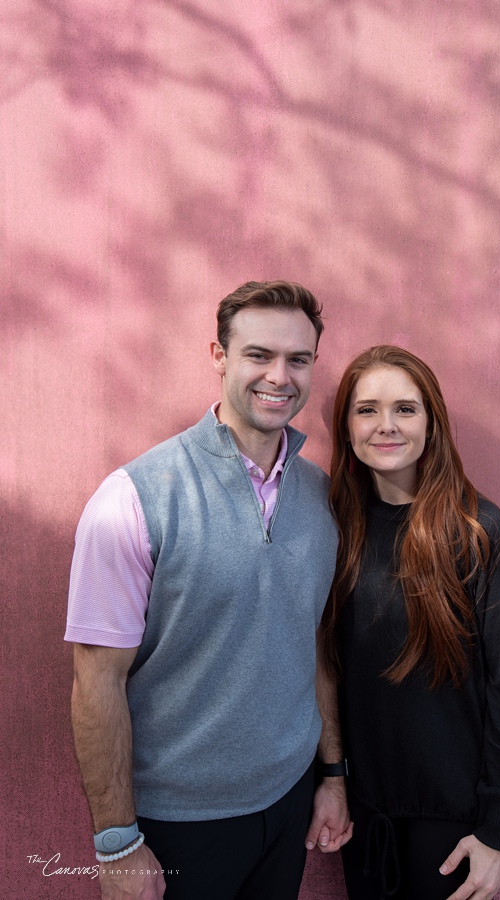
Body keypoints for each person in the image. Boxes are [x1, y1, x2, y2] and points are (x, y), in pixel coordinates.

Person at [66, 281, 352, 900]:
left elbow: (318, 649)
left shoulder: (323, 498)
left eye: (298, 359)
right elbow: (97, 680)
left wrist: (332, 774)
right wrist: (117, 842)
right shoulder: (133, 499)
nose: (279, 376)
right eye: (258, 355)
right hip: (177, 824)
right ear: (219, 356)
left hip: (289, 801)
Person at [321, 345, 500, 900]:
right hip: (364, 823)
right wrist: (334, 779)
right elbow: (326, 668)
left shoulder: (477, 530)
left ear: (432, 422)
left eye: (405, 409)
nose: (386, 425)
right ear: (346, 426)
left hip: (456, 828)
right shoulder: (335, 531)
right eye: (367, 409)